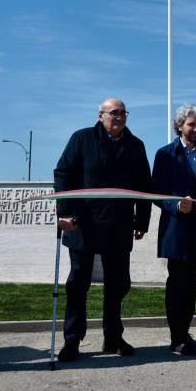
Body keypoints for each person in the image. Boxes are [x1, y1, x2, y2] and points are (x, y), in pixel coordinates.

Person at [54, 98, 152, 361]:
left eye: (123, 113)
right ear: (100, 115)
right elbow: (63, 173)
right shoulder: (81, 139)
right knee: (78, 284)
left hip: (119, 227)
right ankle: (72, 340)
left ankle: (113, 338)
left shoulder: (135, 145)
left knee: (118, 285)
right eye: (113, 113)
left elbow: (143, 185)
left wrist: (142, 221)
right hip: (83, 224)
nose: (119, 117)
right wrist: (63, 212)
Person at [151, 104, 196, 355]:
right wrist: (174, 204)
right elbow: (156, 193)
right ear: (179, 125)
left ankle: (184, 332)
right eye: (191, 125)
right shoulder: (165, 154)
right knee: (177, 283)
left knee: (193, 284)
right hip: (177, 228)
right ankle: (178, 337)